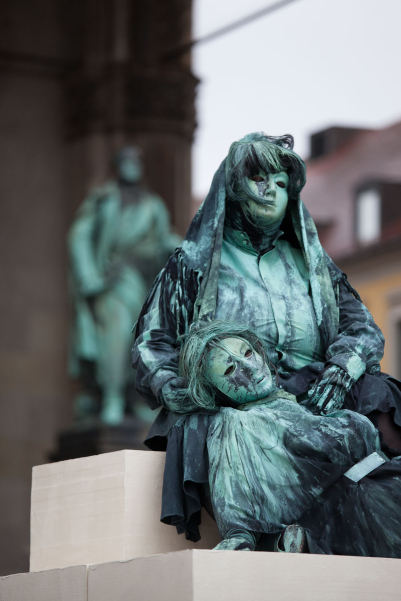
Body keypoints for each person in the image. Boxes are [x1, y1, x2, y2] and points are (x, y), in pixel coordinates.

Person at [132, 133, 401, 549]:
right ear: (233, 188)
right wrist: (178, 389)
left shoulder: (314, 266)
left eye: (280, 183)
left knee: (380, 393)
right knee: (229, 427)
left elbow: (363, 327)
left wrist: (342, 372)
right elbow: (152, 343)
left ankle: (371, 499)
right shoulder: (192, 265)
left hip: (319, 389)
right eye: (259, 178)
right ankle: (274, 531)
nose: (271, 190)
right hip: (237, 396)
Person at [178, 319, 401, 556]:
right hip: (348, 514)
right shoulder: (237, 423)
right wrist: (240, 536)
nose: (250, 368)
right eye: (231, 370)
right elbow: (236, 509)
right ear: (216, 392)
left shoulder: (307, 402)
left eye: (248, 353)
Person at [68, 146, 180, 425]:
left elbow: (164, 238)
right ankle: (112, 398)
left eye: (135, 161)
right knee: (116, 336)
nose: (131, 166)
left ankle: (134, 398)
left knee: (143, 340)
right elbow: (79, 235)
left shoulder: (153, 204)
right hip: (113, 278)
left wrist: (186, 246)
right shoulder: (104, 199)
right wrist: (88, 276)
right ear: (117, 166)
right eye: (126, 161)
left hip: (145, 283)